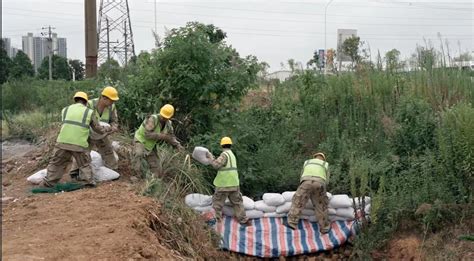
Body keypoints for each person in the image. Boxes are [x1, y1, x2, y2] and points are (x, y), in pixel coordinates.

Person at [40, 92, 112, 188]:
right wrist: (107, 129)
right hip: (79, 143)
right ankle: (88, 182)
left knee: (57, 163)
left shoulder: (65, 110)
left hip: (62, 141)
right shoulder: (88, 112)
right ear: (86, 102)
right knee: (84, 164)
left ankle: (49, 182)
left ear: (75, 100)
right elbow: (97, 129)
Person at [69, 86, 120, 179]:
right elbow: (81, 118)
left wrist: (113, 128)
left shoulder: (111, 107)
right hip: (87, 132)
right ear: (104, 98)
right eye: (111, 100)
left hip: (102, 133)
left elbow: (114, 121)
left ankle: (113, 169)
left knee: (108, 150)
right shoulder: (88, 105)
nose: (113, 102)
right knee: (83, 151)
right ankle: (75, 171)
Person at [132, 104, 183, 178]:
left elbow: (171, 137)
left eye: (166, 117)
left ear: (169, 117)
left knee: (158, 172)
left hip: (151, 146)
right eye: (163, 116)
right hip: (141, 140)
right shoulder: (153, 119)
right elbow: (148, 135)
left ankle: (151, 179)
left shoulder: (168, 124)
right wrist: (163, 136)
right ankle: (136, 175)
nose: (163, 118)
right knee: (138, 154)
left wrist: (177, 145)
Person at [206, 137, 249, 224]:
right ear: (230, 145)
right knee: (238, 203)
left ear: (221, 145)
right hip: (234, 184)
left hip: (223, 185)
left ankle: (216, 221)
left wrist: (210, 158)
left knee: (217, 204)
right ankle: (243, 220)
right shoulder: (232, 155)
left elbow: (216, 165)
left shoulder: (224, 155)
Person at [287, 152, 331, 233]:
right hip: (319, 183)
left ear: (314, 157)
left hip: (306, 182)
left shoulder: (307, 162)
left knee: (298, 201)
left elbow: (301, 175)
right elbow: (327, 180)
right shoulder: (325, 164)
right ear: (323, 158)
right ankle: (324, 228)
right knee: (321, 206)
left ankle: (292, 223)